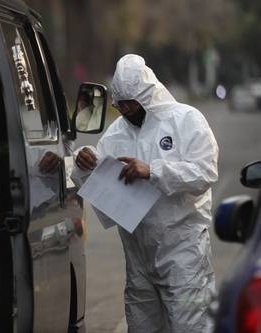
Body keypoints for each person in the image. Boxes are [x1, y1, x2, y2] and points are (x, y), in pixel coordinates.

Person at [75, 54, 219, 332]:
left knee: (190, 326)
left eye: (130, 103)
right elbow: (96, 174)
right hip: (138, 257)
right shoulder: (116, 133)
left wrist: (153, 171)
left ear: (147, 95)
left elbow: (205, 172)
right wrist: (85, 160)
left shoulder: (186, 120)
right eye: (120, 104)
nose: (126, 110)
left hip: (183, 253)